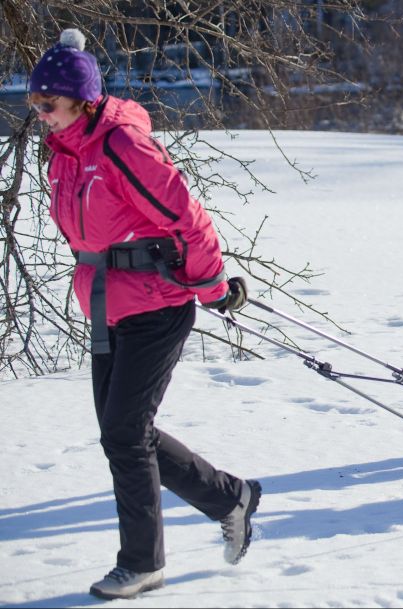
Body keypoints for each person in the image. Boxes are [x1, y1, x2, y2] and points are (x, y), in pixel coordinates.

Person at [29, 29, 260, 601]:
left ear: (81, 100)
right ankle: (230, 498)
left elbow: (187, 217)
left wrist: (211, 285)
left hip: (157, 304)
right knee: (124, 432)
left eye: (48, 105)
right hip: (106, 304)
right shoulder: (65, 151)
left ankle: (142, 563)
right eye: (33, 105)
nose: (40, 116)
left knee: (125, 433)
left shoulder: (121, 146)